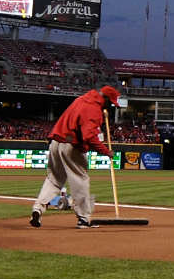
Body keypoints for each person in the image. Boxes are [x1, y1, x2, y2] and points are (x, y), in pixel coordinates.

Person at [32, 85, 118, 228]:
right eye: (110, 102)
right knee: (80, 179)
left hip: (55, 141)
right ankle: (83, 219)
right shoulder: (93, 109)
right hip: (71, 145)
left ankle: (37, 208)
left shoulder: (81, 99)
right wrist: (106, 151)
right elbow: (89, 136)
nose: (110, 106)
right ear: (105, 98)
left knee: (53, 180)